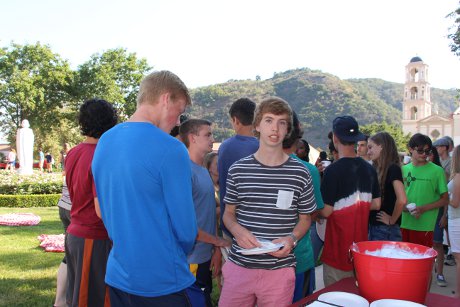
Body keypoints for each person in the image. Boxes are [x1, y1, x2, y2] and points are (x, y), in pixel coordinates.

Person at [92, 71, 201, 306]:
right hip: (161, 278)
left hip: (119, 274)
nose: (178, 122)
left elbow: (102, 209)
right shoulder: (171, 149)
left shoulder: (104, 142)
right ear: (165, 99)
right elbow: (186, 230)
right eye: (179, 112)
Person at [219, 97, 316, 306]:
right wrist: (237, 231)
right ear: (257, 125)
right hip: (240, 267)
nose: (275, 128)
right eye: (269, 120)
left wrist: (291, 238)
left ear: (287, 129)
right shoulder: (238, 169)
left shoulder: (301, 172)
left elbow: (306, 218)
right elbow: (228, 214)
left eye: (282, 122)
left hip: (279, 272)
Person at [65, 99, 118, 307]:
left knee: (78, 297)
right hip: (94, 236)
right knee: (93, 300)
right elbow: (101, 209)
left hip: (75, 232)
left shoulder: (74, 152)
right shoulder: (103, 155)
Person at [320, 116, 381, 287]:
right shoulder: (369, 169)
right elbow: (376, 204)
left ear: (335, 138)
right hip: (360, 250)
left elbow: (326, 211)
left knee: (335, 298)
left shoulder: (333, 170)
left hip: (337, 251)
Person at [179, 119, 230, 306]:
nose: (212, 139)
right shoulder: (184, 172)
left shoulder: (202, 171)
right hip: (190, 259)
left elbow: (207, 214)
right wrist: (218, 242)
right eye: (207, 134)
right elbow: (183, 223)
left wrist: (215, 248)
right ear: (192, 138)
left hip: (205, 255)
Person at [282, 111, 323, 301]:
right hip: (299, 259)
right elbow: (313, 214)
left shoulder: (250, 166)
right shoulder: (309, 170)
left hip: (265, 262)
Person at [401, 133, 448, 286]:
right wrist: (403, 207)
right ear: (410, 150)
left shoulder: (437, 171)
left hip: (425, 227)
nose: (424, 155)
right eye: (420, 151)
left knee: (422, 268)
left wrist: (423, 209)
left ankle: (422, 297)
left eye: (428, 151)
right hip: (404, 224)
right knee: (404, 266)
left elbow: (445, 199)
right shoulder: (403, 170)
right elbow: (399, 198)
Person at [218, 98, 259, 239]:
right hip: (260, 226)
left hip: (231, 224)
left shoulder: (225, 147)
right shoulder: (264, 148)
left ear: (235, 120)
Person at [367, 132, 407, 241]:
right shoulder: (377, 169)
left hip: (385, 230)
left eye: (370, 147)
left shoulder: (393, 168)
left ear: (381, 146)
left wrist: (392, 220)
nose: (368, 151)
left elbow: (402, 199)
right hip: (376, 227)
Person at [447, 145, 460, 298]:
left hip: (456, 219)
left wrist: (444, 198)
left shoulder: (457, 177)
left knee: (458, 258)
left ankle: (458, 293)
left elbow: (455, 203)